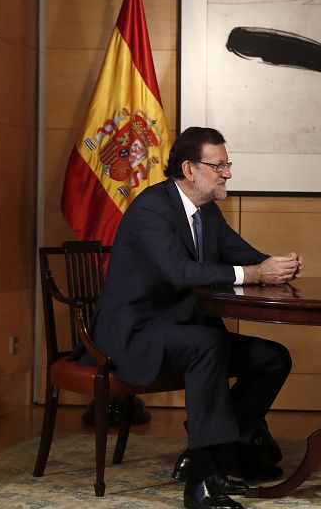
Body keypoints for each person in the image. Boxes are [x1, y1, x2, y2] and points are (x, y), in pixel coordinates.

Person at [91, 126, 302, 509]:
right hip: (137, 332)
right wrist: (255, 274)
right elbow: (180, 272)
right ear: (190, 169)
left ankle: (214, 448)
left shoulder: (208, 213)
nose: (228, 172)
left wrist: (277, 266)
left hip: (181, 329)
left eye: (227, 164)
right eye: (219, 165)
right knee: (208, 344)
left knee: (273, 358)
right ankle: (201, 481)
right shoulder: (151, 208)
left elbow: (245, 255)